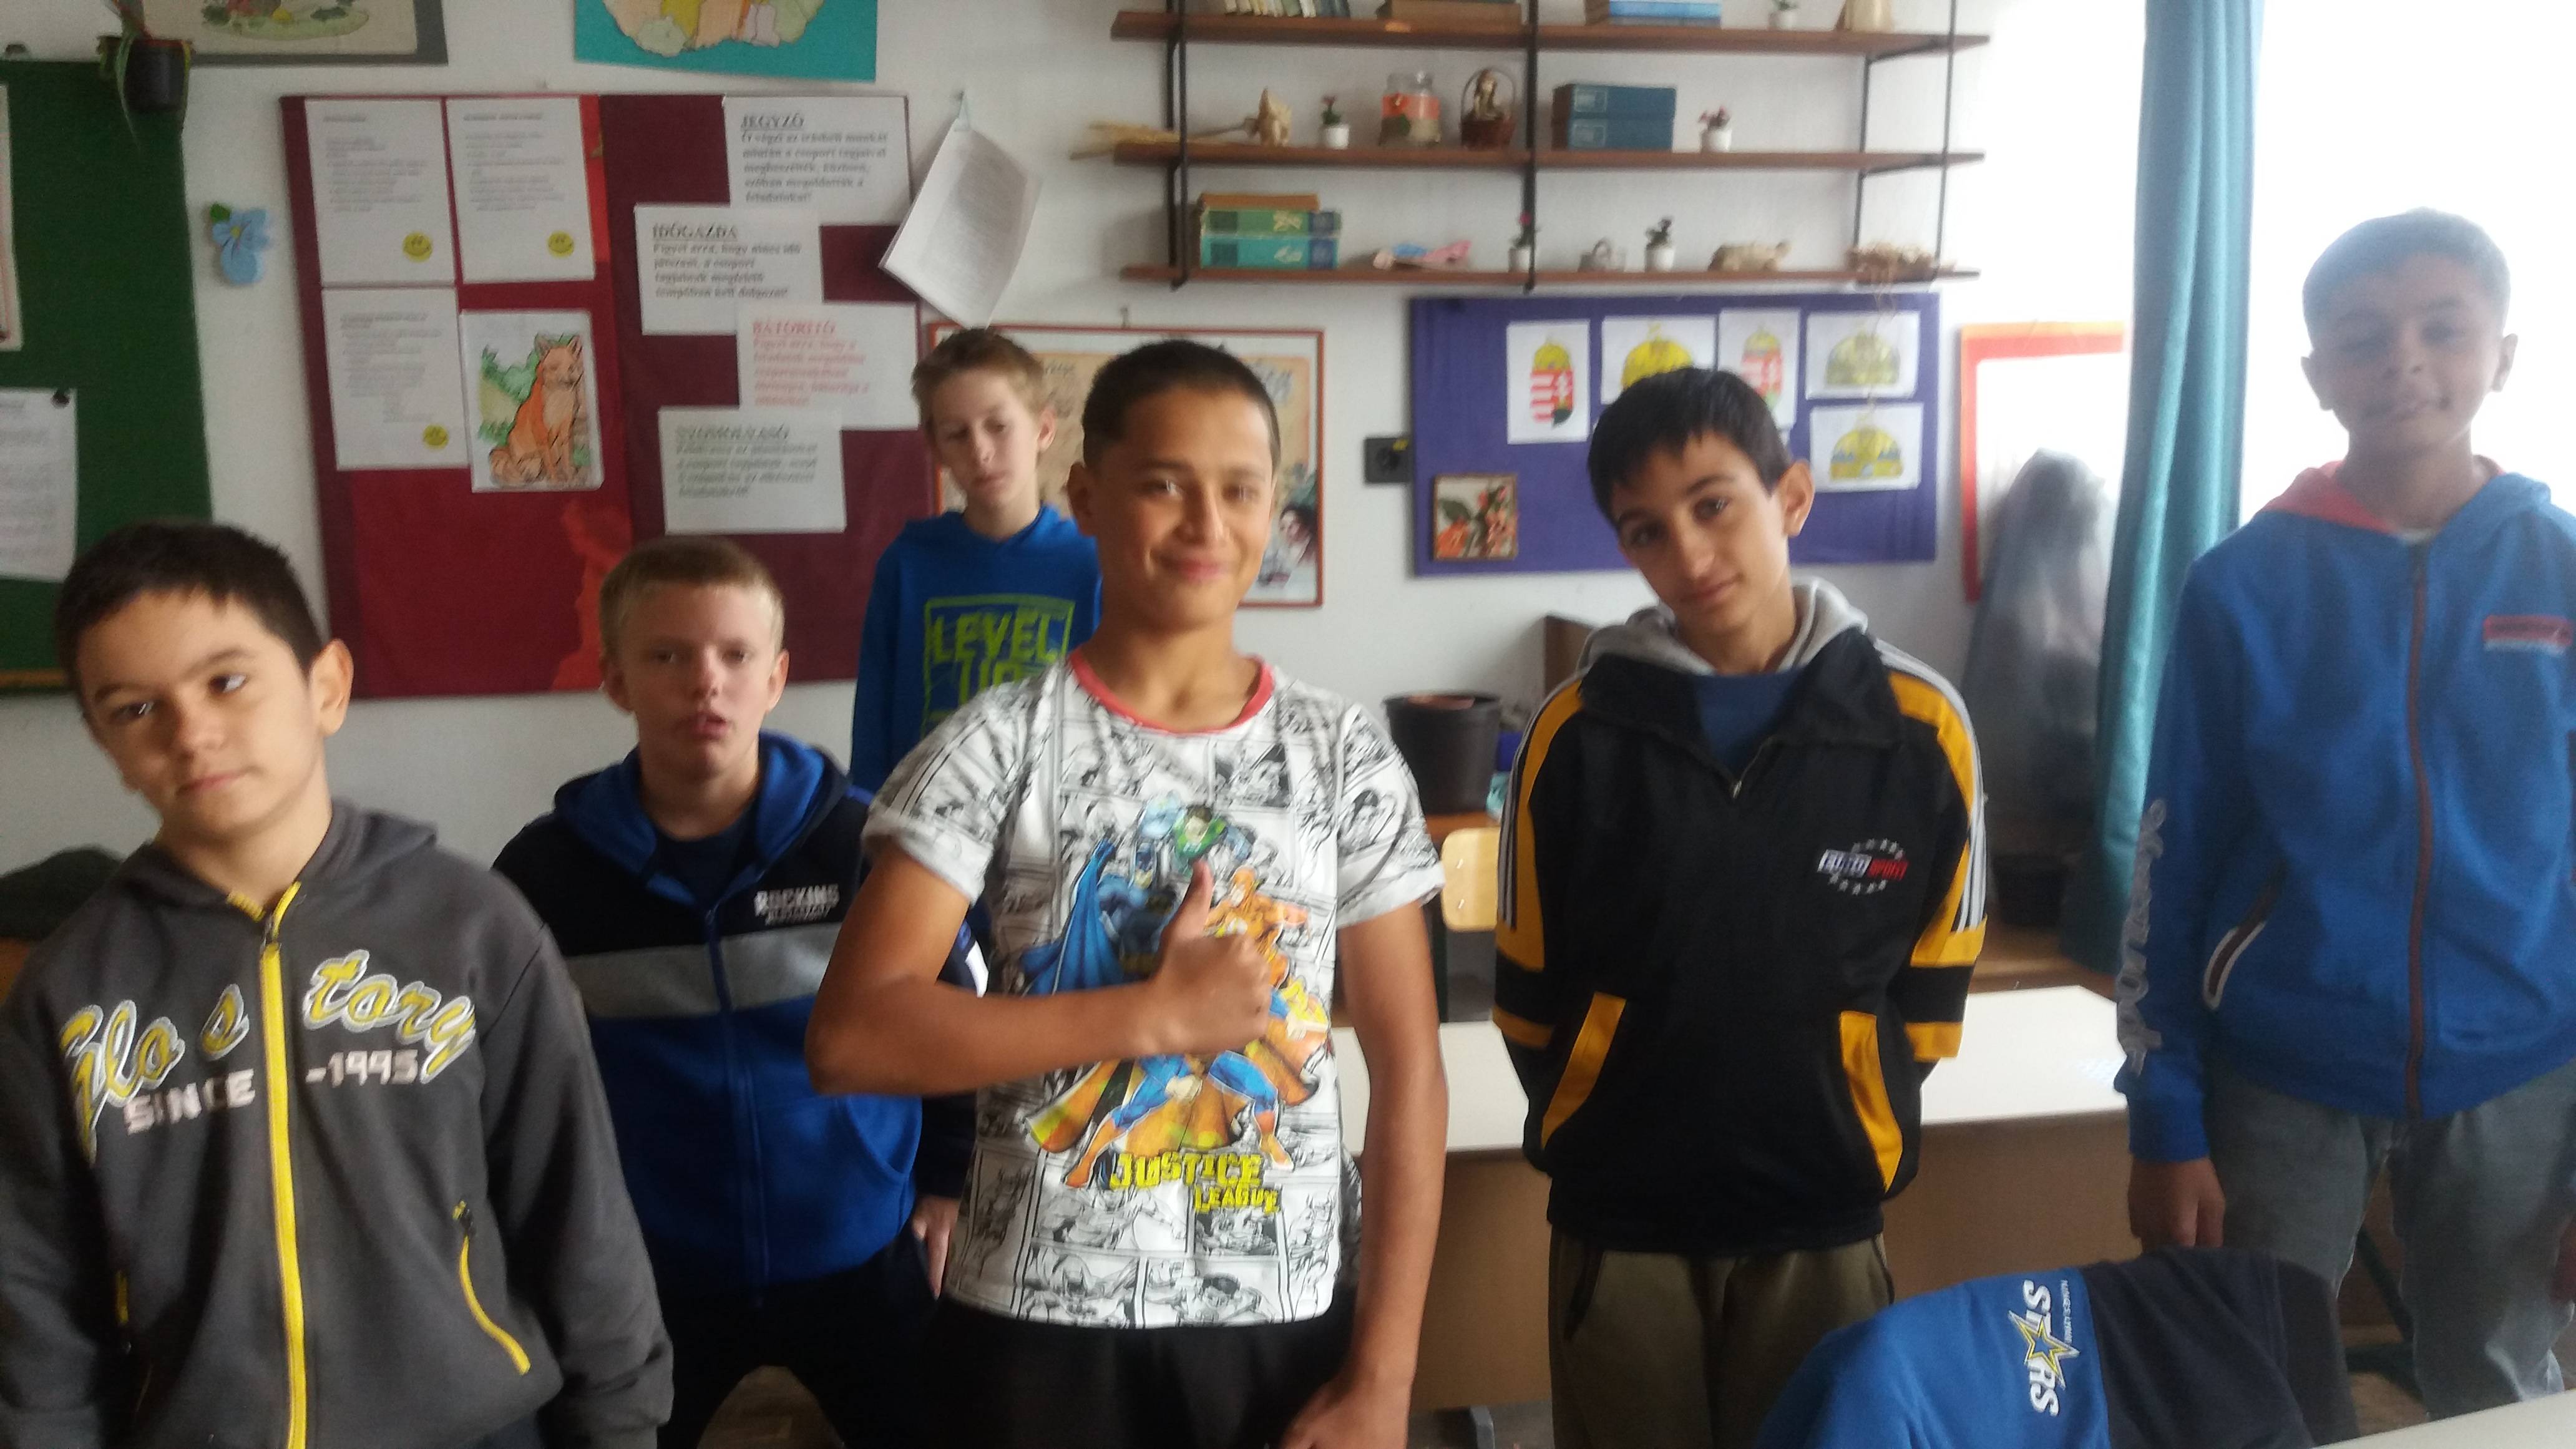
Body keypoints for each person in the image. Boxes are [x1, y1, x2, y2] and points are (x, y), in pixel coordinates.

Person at [806, 339, 1449, 1449]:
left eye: (1240, 490)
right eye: (1164, 484)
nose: (1207, 523)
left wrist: (1384, 1377)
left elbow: (1410, 1072)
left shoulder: (1341, 754)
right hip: (1038, 1324)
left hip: (1282, 1318)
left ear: (1274, 509)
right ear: (1087, 497)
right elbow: (852, 1036)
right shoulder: (992, 745)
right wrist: (1147, 1017)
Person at [0, 521, 669, 1449]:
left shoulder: (472, 926)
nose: (191, 733)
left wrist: (621, 1423)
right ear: (104, 741)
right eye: (136, 708)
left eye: (226, 681)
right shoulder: (71, 986)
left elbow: (578, 1211)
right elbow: (37, 1285)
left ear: (327, 686)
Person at [2119, 208, 2576, 1418]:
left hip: (2525, 1062)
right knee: (2248, 1383)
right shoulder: (2242, 584)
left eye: (2442, 330)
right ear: (2316, 373)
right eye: (2363, 337)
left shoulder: (2560, 569)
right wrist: (2163, 1111)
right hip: (2286, 1061)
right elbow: (2171, 854)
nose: (2403, 362)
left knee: (2498, 1388)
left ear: (2504, 355)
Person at [1495, 367, 1986, 1449]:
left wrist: (1848, 1092)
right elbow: (1528, 992)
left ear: (1791, 497)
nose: (1689, 552)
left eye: (1713, 504)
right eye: (1646, 530)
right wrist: (1602, 1097)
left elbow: (1934, 984)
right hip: (1622, 1219)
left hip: (1820, 1215)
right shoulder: (1575, 734)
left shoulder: (1919, 728)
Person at [493, 538, 972, 1449]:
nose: (705, 682)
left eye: (736, 655)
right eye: (668, 656)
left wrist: (950, 1179)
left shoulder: (867, 845)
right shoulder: (544, 874)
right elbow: (510, 1080)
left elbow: (952, 1014)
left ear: (776, 676)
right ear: (617, 681)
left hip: (862, 1248)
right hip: (655, 1272)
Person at [850, 327, 1101, 793]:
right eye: (956, 434)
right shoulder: (907, 566)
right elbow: (872, 723)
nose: (980, 451)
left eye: (998, 426)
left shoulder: (1093, 564)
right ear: (935, 448)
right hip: (925, 816)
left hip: (1049, 813)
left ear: (1044, 429)